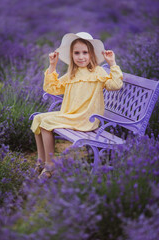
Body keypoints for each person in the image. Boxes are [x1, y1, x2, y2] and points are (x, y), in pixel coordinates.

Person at [30, 32, 123, 178]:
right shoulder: (72, 73)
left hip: (86, 118)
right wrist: (52, 66)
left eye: (85, 52)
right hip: (72, 115)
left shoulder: (97, 72)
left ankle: (50, 166)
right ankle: (40, 162)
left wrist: (112, 64)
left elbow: (116, 85)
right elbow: (52, 88)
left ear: (91, 54)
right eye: (77, 53)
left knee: (46, 123)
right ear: (72, 55)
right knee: (38, 119)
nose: (81, 57)